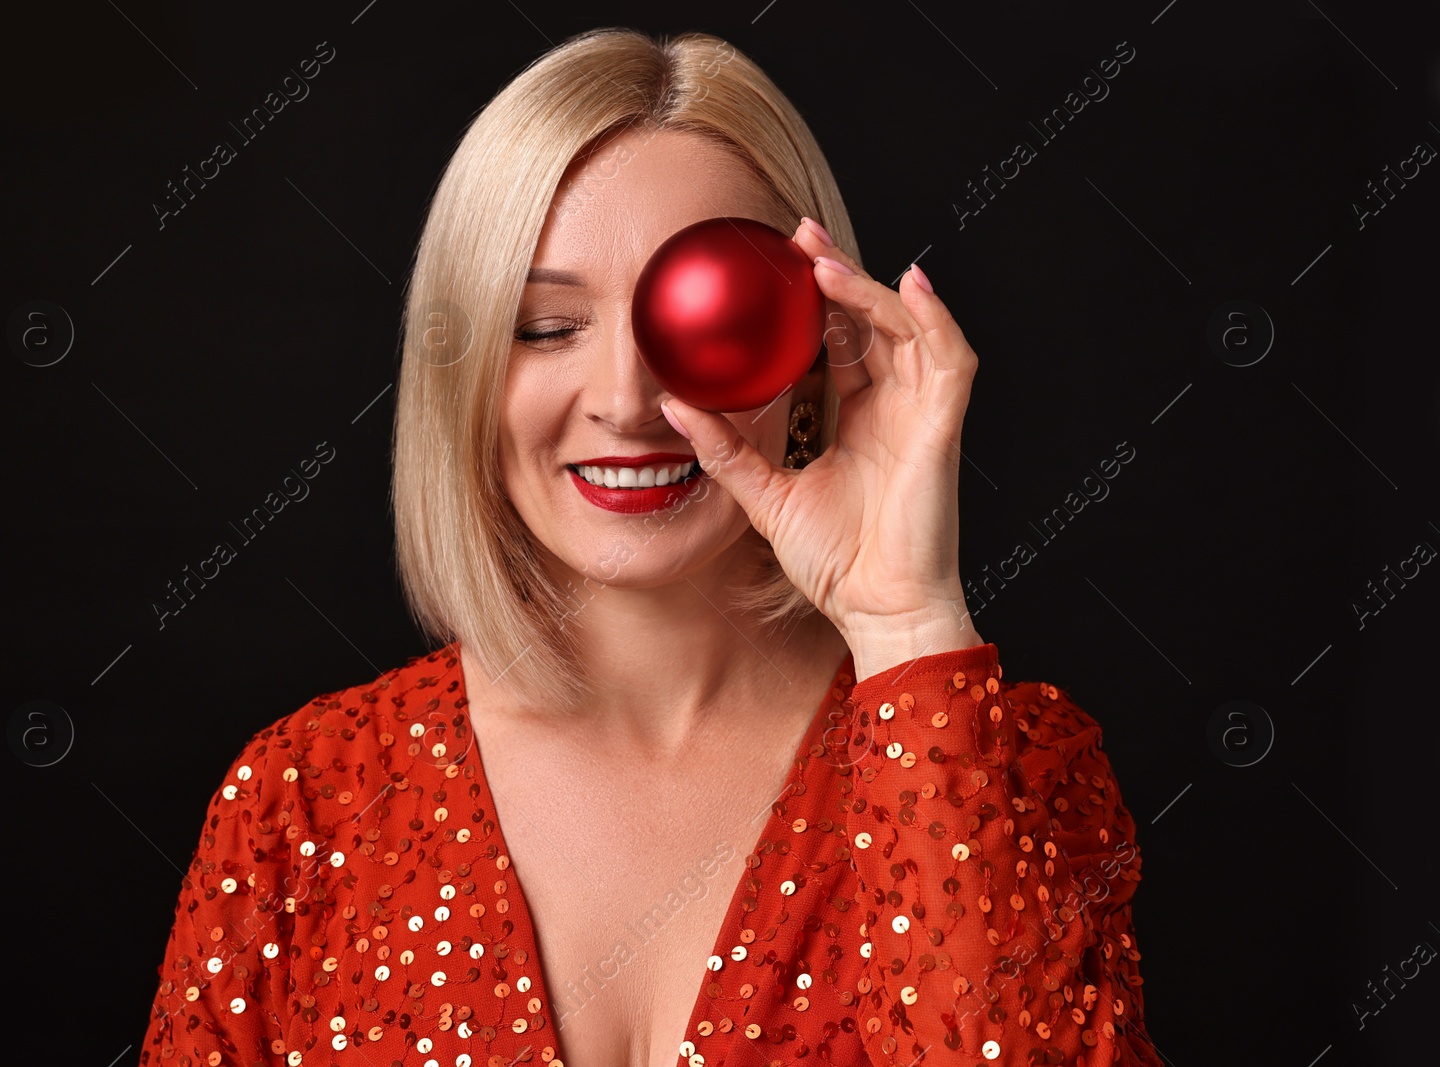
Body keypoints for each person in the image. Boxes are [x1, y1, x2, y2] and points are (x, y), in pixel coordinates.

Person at [135, 27, 1160, 1067]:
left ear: (812, 353)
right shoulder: (302, 803)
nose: (628, 403)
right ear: (465, 372)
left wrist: (903, 622)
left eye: (701, 320)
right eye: (545, 327)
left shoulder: (1005, 766)